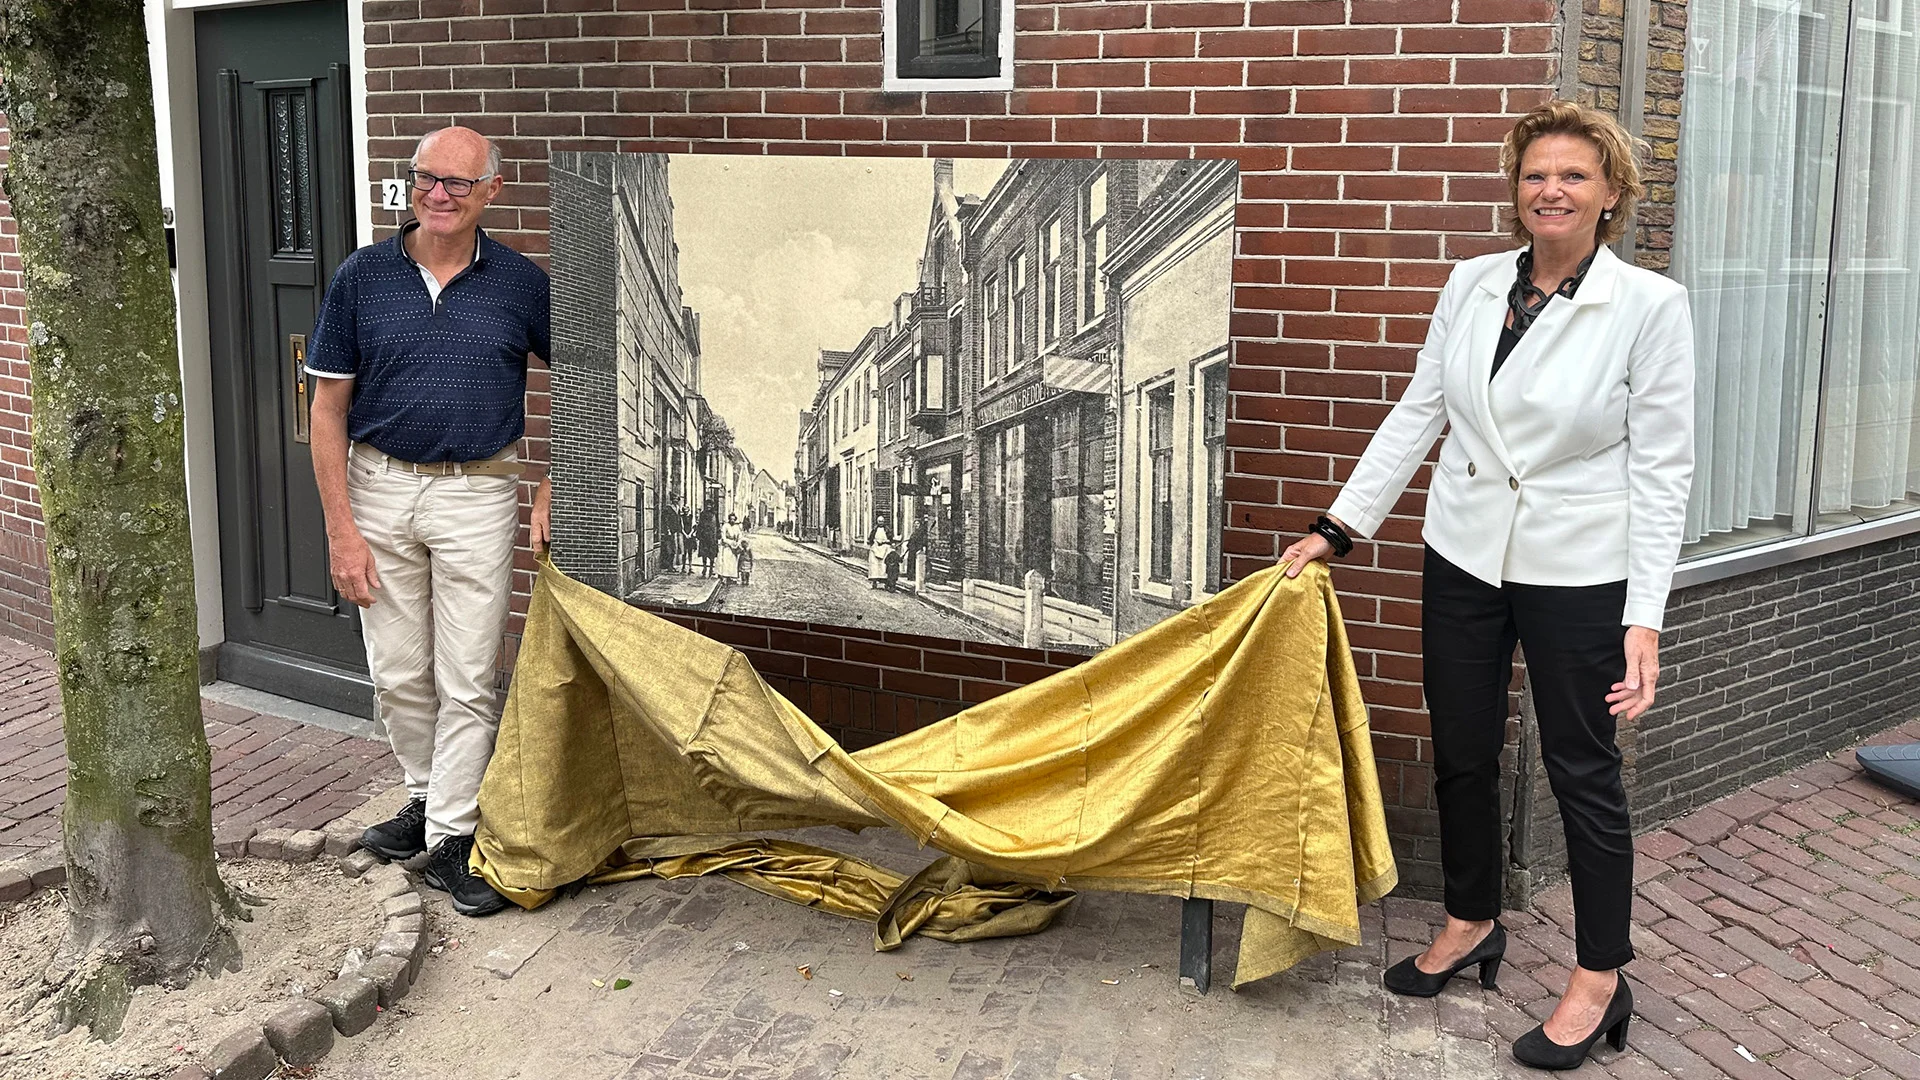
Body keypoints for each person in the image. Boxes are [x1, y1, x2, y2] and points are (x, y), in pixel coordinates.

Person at [1281, 100, 1694, 1071]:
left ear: (1611, 196)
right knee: (1461, 748)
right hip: (1464, 553)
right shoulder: (1471, 284)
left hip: (1579, 570)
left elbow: (1664, 470)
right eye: (1535, 174)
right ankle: (1471, 919)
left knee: (1581, 770)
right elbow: (1420, 409)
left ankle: (1601, 976)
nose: (1550, 189)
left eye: (1574, 176)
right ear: (1516, 192)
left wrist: (1646, 618)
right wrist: (1339, 527)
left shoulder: (1649, 307)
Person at [307, 126, 552, 919]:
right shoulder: (363, 277)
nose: (436, 195)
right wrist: (342, 530)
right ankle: (425, 799)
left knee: (469, 675)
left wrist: (550, 480)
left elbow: (583, 376)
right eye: (423, 180)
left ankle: (453, 837)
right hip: (378, 488)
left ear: (492, 190)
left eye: (455, 182)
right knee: (399, 669)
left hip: (478, 492)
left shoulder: (521, 283)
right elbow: (327, 408)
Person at [867, 519, 895, 589]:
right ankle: (874, 581)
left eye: (882, 521)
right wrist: (873, 544)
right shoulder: (874, 529)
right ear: (877, 522)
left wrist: (887, 543)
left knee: (884, 565)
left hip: (885, 548)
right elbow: (870, 539)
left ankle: (885, 582)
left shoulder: (887, 530)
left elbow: (891, 539)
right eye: (879, 521)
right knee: (874, 566)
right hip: (876, 548)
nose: (881, 523)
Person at [719, 513, 743, 582]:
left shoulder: (736, 527)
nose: (732, 521)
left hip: (734, 547)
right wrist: (730, 543)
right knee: (726, 561)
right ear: (729, 519)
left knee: (732, 562)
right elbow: (723, 538)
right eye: (731, 519)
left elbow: (740, 536)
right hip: (726, 546)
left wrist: (737, 543)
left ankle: (731, 576)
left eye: (733, 519)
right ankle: (725, 576)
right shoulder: (725, 526)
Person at [697, 504, 719, 578]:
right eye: (707, 506)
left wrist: (717, 535)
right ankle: (704, 567)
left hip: (712, 537)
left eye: (710, 506)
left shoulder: (714, 514)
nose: (708, 507)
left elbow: (717, 525)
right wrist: (699, 535)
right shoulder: (702, 514)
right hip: (704, 537)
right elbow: (700, 525)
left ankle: (711, 568)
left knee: (712, 554)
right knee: (704, 554)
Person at [660, 498, 679, 573]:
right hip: (668, 533)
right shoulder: (668, 508)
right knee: (669, 550)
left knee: (673, 550)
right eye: (674, 499)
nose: (676, 501)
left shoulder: (677, 508)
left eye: (677, 499)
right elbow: (665, 520)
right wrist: (667, 530)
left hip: (674, 532)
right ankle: (669, 566)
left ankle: (671, 566)